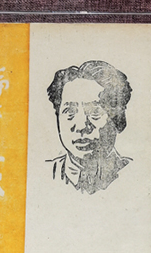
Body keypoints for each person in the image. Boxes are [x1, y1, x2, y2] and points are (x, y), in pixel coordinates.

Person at [46, 60, 132, 194]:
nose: (81, 126)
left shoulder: (134, 173)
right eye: (70, 112)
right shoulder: (43, 173)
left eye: (95, 112)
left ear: (118, 118)